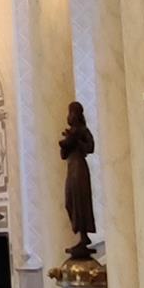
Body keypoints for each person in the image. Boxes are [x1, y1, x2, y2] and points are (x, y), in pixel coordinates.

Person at [58, 100, 97, 256]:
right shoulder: (71, 132)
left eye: (72, 112)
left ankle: (84, 236)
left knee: (80, 201)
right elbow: (63, 154)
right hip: (71, 167)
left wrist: (76, 140)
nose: (70, 116)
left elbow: (90, 147)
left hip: (79, 168)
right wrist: (67, 142)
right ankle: (81, 234)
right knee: (70, 202)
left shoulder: (82, 130)